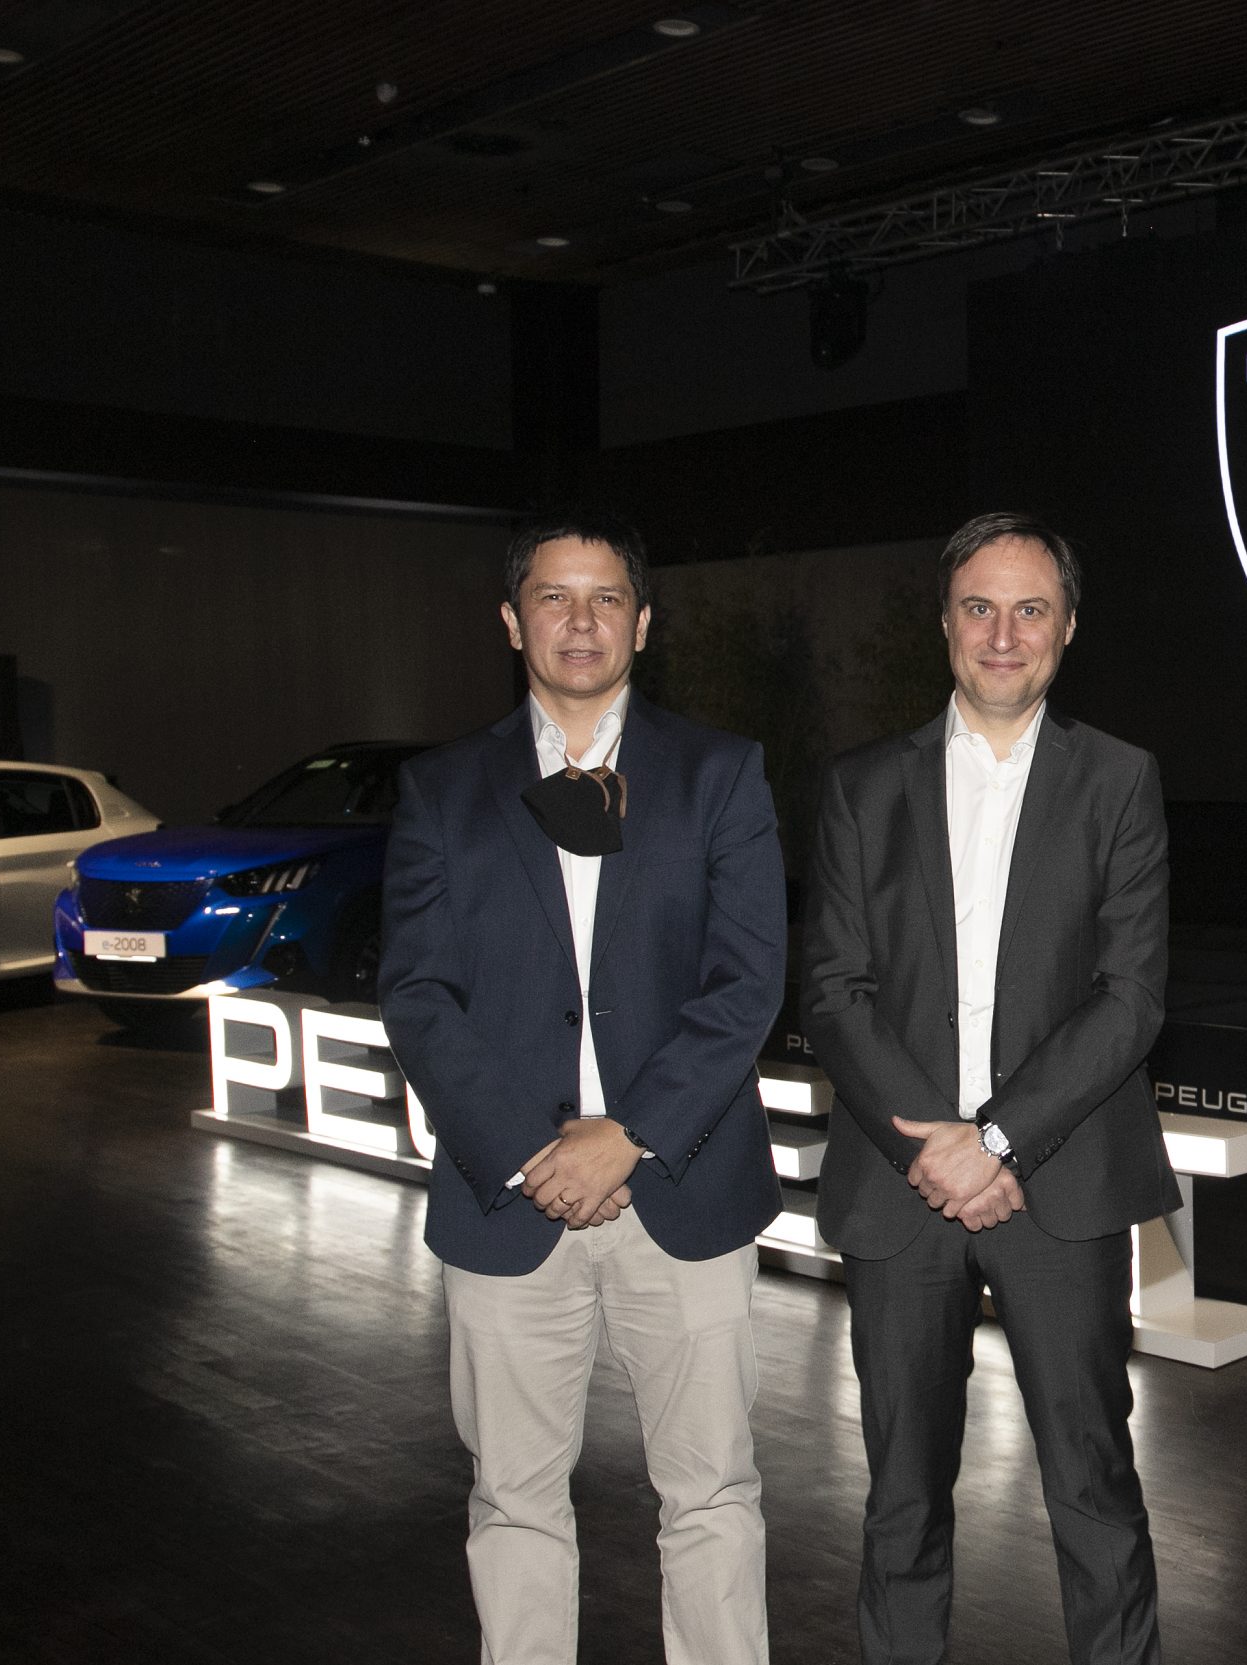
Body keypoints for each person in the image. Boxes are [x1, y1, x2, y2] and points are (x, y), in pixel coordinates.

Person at [380, 509, 786, 1665]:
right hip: (509, 1199)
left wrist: (630, 1135)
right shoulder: (441, 789)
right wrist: (533, 1149)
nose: (580, 621)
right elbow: (417, 993)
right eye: (552, 597)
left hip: (684, 1187)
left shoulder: (719, 774)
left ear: (642, 623)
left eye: (606, 598)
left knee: (713, 1494)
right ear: (512, 623)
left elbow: (748, 981)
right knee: (512, 1500)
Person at [803, 511, 1175, 1665]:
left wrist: (998, 1141)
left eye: (1029, 610)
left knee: (1094, 1490)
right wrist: (940, 1150)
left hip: (1060, 1189)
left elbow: (1129, 998)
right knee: (901, 1499)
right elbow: (833, 992)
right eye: (979, 608)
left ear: (1068, 627)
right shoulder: (863, 786)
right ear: (944, 623)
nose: (1002, 635)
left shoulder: (1119, 779)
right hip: (900, 1190)